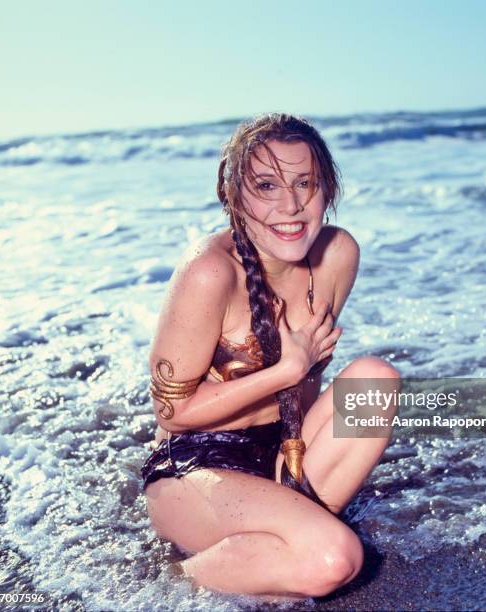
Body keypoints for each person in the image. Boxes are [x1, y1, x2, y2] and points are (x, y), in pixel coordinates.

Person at [141, 112, 400, 601]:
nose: (292, 204)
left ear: (328, 189)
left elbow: (307, 395)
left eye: (306, 182)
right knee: (335, 559)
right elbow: (172, 413)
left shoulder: (337, 254)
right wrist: (285, 369)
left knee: (375, 379)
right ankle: (176, 577)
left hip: (284, 452)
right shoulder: (209, 271)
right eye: (266, 185)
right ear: (233, 195)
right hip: (197, 468)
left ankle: (273, 537)